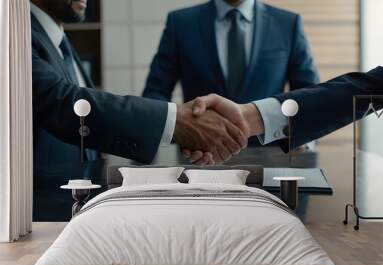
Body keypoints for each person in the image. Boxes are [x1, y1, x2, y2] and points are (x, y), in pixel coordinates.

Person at [30, 0, 248, 172]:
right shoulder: (19, 35)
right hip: (44, 208)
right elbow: (63, 103)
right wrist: (176, 124)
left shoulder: (59, 40)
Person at [184, 66, 383, 164]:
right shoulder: (181, 21)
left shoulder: (289, 21)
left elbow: (370, 87)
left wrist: (248, 118)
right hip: (197, 166)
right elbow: (370, 87)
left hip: (275, 161)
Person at [143, 0, 318, 105]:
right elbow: (155, 92)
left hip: (271, 156)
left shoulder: (288, 24)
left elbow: (309, 94)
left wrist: (301, 139)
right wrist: (177, 132)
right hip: (198, 156)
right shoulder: (180, 23)